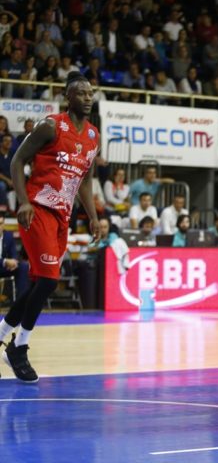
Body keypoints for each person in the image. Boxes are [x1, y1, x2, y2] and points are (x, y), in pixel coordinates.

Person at [0, 72, 101, 383]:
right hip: (38, 209)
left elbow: (84, 181)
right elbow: (17, 161)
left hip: (62, 217)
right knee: (48, 280)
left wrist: (93, 216)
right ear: (67, 97)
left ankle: (3, 333)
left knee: (39, 283)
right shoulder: (51, 126)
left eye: (90, 93)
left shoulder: (93, 136)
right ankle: (19, 346)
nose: (87, 97)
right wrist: (23, 202)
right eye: (81, 93)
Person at [0, 214, 29, 297]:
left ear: (4, 224)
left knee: (23, 266)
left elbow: (14, 253)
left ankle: (21, 301)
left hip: (4, 268)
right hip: (3, 264)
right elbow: (6, 261)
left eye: (0, 224)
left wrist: (14, 262)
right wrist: (5, 261)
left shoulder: (8, 236)